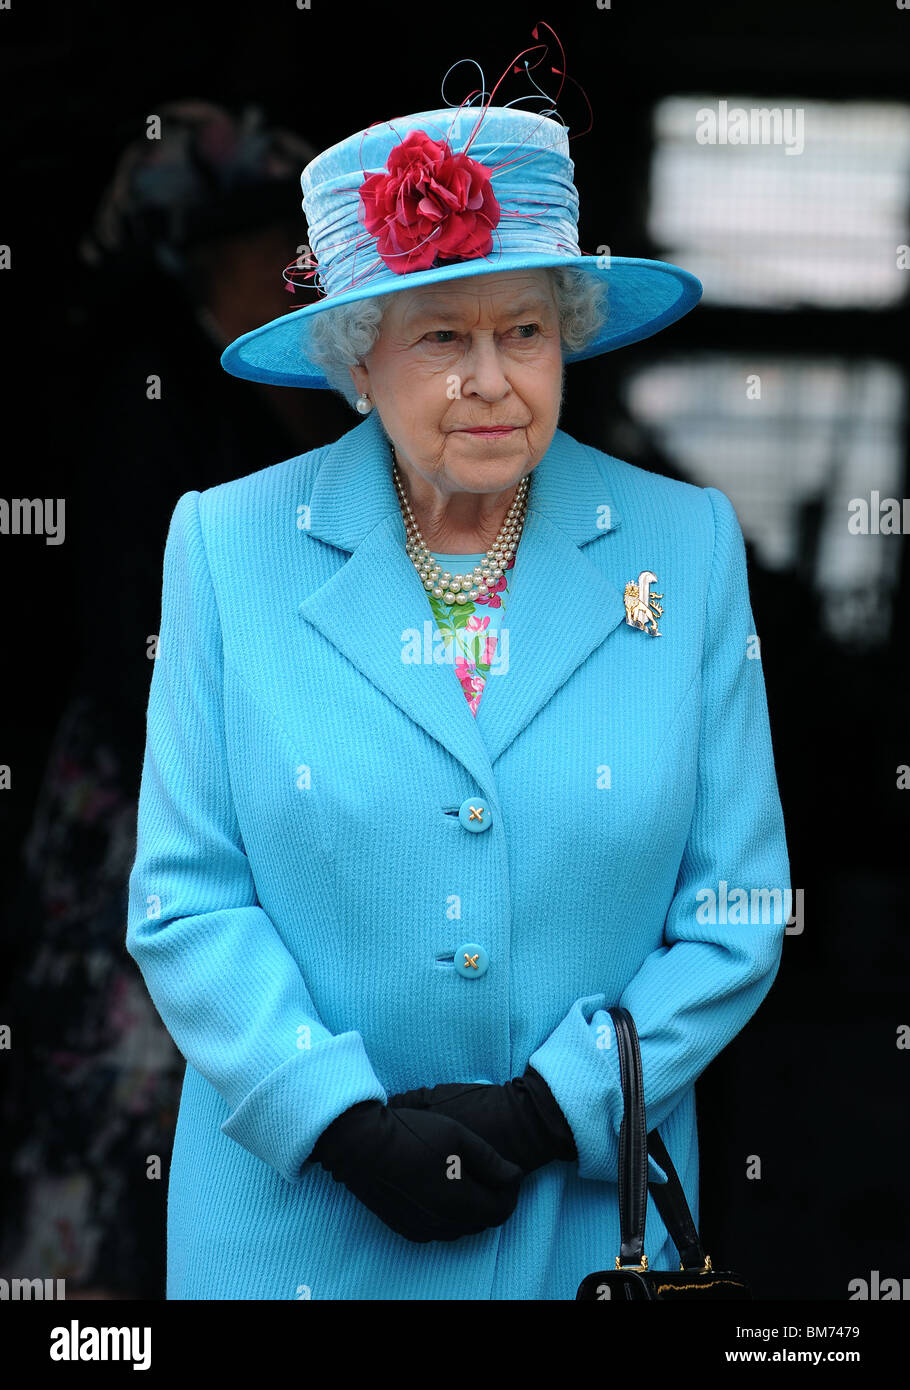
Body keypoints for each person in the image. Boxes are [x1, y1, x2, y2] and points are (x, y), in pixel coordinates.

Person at [125, 80, 790, 1300]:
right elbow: (187, 900)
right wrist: (337, 1123)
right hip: (297, 1235)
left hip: (581, 1230)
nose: (491, 378)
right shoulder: (228, 546)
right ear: (355, 359)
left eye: (523, 332)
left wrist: (552, 1110)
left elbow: (735, 907)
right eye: (441, 336)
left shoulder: (681, 544)